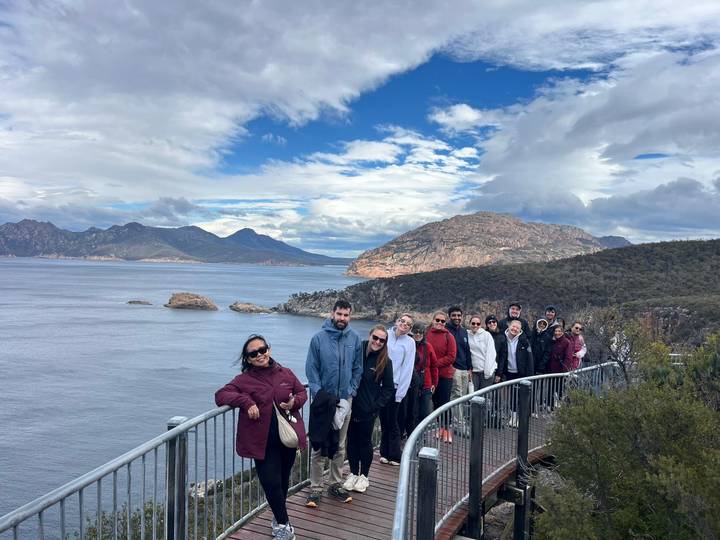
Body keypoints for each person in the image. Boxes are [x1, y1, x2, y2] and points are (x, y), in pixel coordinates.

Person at [215, 335, 307, 540]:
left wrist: (295, 402)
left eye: (262, 350)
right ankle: (285, 527)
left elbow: (301, 392)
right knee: (270, 483)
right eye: (253, 353)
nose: (260, 355)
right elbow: (221, 395)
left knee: (283, 482)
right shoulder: (243, 380)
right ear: (247, 359)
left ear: (269, 350)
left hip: (287, 439)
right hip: (262, 443)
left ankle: (278, 520)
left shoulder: (285, 373)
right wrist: (246, 402)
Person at [305, 299, 363, 507]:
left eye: (346, 315)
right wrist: (319, 393)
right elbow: (311, 370)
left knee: (339, 445)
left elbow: (358, 369)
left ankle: (335, 484)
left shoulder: (355, 339)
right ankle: (315, 488)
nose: (342, 318)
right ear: (332, 314)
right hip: (323, 401)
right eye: (339, 314)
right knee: (319, 444)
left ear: (350, 316)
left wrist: (352, 392)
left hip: (345, 400)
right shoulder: (318, 339)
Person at [343, 325, 395, 493]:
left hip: (368, 409)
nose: (377, 342)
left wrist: (375, 406)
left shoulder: (385, 361)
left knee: (364, 442)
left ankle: (364, 476)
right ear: (370, 335)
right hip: (351, 405)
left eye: (382, 340)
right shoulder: (358, 352)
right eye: (375, 338)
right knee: (351, 441)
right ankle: (352, 473)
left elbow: (388, 388)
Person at [380, 314, 416, 465]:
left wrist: (400, 393)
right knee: (383, 420)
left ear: (410, 328)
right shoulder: (386, 335)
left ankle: (394, 455)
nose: (404, 324)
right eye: (402, 321)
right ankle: (384, 452)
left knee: (393, 421)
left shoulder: (410, 343)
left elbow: (407, 368)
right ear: (397, 321)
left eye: (408, 324)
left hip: (395, 387)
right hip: (380, 385)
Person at [496, 320, 534, 427]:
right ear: (509, 326)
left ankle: (521, 418)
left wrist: (529, 376)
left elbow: (530, 360)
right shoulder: (503, 339)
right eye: (513, 326)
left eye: (517, 328)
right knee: (512, 396)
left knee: (521, 396)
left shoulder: (524, 341)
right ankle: (513, 418)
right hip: (509, 372)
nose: (515, 329)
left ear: (520, 329)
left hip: (521, 373)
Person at [426, 310, 457, 442]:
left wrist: (434, 364)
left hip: (444, 376)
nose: (439, 323)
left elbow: (451, 357)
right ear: (433, 320)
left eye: (442, 321)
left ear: (445, 323)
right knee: (435, 403)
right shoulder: (426, 334)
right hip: (430, 376)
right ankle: (440, 430)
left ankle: (447, 432)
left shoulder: (449, 336)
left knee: (444, 403)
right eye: (437, 320)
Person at [405, 322, 438, 432]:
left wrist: (434, 383)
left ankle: (421, 436)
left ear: (424, 334)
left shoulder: (428, 347)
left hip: (425, 384)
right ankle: (410, 436)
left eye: (420, 332)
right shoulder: (408, 345)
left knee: (424, 413)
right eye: (416, 332)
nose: (418, 334)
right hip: (410, 384)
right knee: (411, 412)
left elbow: (434, 366)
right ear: (412, 332)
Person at [446, 306, 472, 433]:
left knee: (463, 396)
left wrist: (469, 368)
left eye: (458, 315)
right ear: (449, 316)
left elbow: (467, 350)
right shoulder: (446, 331)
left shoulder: (463, 331)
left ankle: (459, 422)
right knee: (456, 395)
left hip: (464, 369)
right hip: (453, 368)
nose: (456, 317)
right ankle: (459, 424)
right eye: (454, 315)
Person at [467, 315, 497, 391]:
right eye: (473, 323)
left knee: (485, 397)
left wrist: (487, 372)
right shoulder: (466, 335)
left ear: (481, 325)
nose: (475, 325)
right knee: (473, 396)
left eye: (478, 324)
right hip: (473, 372)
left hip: (486, 371)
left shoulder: (486, 335)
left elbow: (491, 354)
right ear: (469, 324)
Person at [532, 305, 560, 374]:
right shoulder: (539, 322)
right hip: (535, 353)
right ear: (545, 312)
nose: (550, 313)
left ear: (555, 314)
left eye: (552, 312)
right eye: (548, 311)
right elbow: (532, 335)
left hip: (548, 354)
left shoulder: (556, 326)